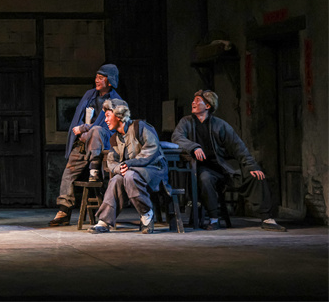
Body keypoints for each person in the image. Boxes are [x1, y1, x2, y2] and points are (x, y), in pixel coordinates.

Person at [172, 90, 287, 232]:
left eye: (197, 101)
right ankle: (214, 219)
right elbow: (177, 137)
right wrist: (194, 147)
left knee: (256, 176)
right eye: (193, 100)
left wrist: (252, 166)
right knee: (205, 178)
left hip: (224, 169)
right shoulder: (186, 122)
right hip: (201, 169)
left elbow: (239, 148)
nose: (193, 103)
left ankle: (267, 218)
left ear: (208, 106)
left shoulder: (220, 125)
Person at [49, 64, 121, 227]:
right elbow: (78, 116)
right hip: (82, 142)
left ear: (109, 81)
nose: (97, 80)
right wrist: (81, 132)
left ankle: (102, 210)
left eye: (101, 78)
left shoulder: (115, 101)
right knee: (68, 173)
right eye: (96, 77)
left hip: (102, 148)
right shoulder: (89, 95)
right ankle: (64, 210)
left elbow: (106, 127)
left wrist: (85, 129)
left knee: (96, 131)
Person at [89, 98, 169, 234]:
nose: (105, 120)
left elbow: (151, 149)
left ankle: (146, 214)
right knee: (116, 179)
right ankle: (105, 221)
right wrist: (119, 168)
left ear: (119, 115)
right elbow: (111, 162)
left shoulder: (139, 127)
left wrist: (129, 164)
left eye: (108, 116)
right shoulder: (114, 138)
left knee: (130, 176)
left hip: (154, 170)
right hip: (131, 173)